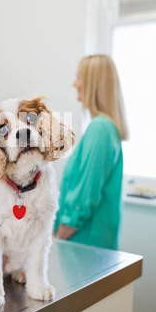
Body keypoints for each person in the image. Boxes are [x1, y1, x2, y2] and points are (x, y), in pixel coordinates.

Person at [54, 54, 129, 250]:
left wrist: (60, 234)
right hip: (91, 241)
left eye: (79, 78)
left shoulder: (100, 129)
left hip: (83, 243)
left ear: (93, 83)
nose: (74, 83)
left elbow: (85, 194)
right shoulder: (106, 128)